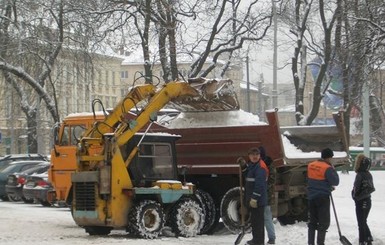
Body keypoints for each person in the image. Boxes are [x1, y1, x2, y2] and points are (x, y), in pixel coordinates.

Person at [307, 148, 340, 245]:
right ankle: (320, 243)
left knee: (312, 223)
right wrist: (333, 169)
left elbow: (313, 179)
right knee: (323, 223)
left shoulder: (311, 165)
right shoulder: (327, 168)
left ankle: (310, 243)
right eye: (331, 158)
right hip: (322, 198)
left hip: (311, 197)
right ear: (329, 157)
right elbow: (335, 181)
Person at [238, 147, 268, 245]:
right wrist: (243, 166)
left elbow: (259, 185)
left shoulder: (260, 167)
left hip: (258, 201)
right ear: (249, 156)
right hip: (252, 199)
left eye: (256, 155)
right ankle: (256, 239)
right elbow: (247, 175)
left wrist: (254, 199)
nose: (254, 157)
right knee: (255, 222)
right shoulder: (252, 165)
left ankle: (258, 242)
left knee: (258, 223)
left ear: (259, 156)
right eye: (252, 155)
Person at [351, 153, 375, 245]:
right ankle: (368, 239)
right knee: (363, 221)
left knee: (360, 223)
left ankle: (362, 241)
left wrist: (353, 195)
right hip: (368, 201)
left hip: (360, 202)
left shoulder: (359, 175)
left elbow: (356, 189)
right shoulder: (369, 174)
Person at [259, 146, 276, 244]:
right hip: (263, 194)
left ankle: (271, 238)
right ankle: (268, 238)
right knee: (265, 217)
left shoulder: (267, 165)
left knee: (266, 216)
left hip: (266, 195)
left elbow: (270, 181)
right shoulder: (266, 164)